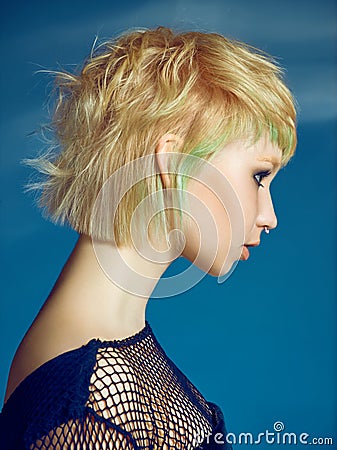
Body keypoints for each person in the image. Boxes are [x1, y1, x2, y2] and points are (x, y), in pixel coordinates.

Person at [0, 26, 296, 449]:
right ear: (173, 162)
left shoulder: (116, 357)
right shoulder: (87, 404)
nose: (270, 217)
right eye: (259, 176)